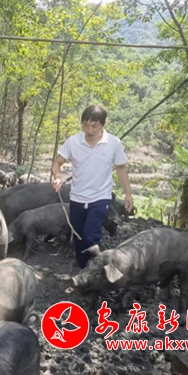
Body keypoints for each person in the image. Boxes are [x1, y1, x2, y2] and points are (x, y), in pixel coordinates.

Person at [51, 105, 133, 268]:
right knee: (78, 236)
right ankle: (84, 269)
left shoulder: (113, 143)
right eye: (85, 125)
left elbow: (121, 168)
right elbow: (57, 162)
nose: (89, 130)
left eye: (94, 126)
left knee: (90, 236)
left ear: (104, 123)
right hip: (77, 197)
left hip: (101, 197)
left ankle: (94, 269)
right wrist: (57, 177)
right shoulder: (73, 142)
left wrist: (128, 193)